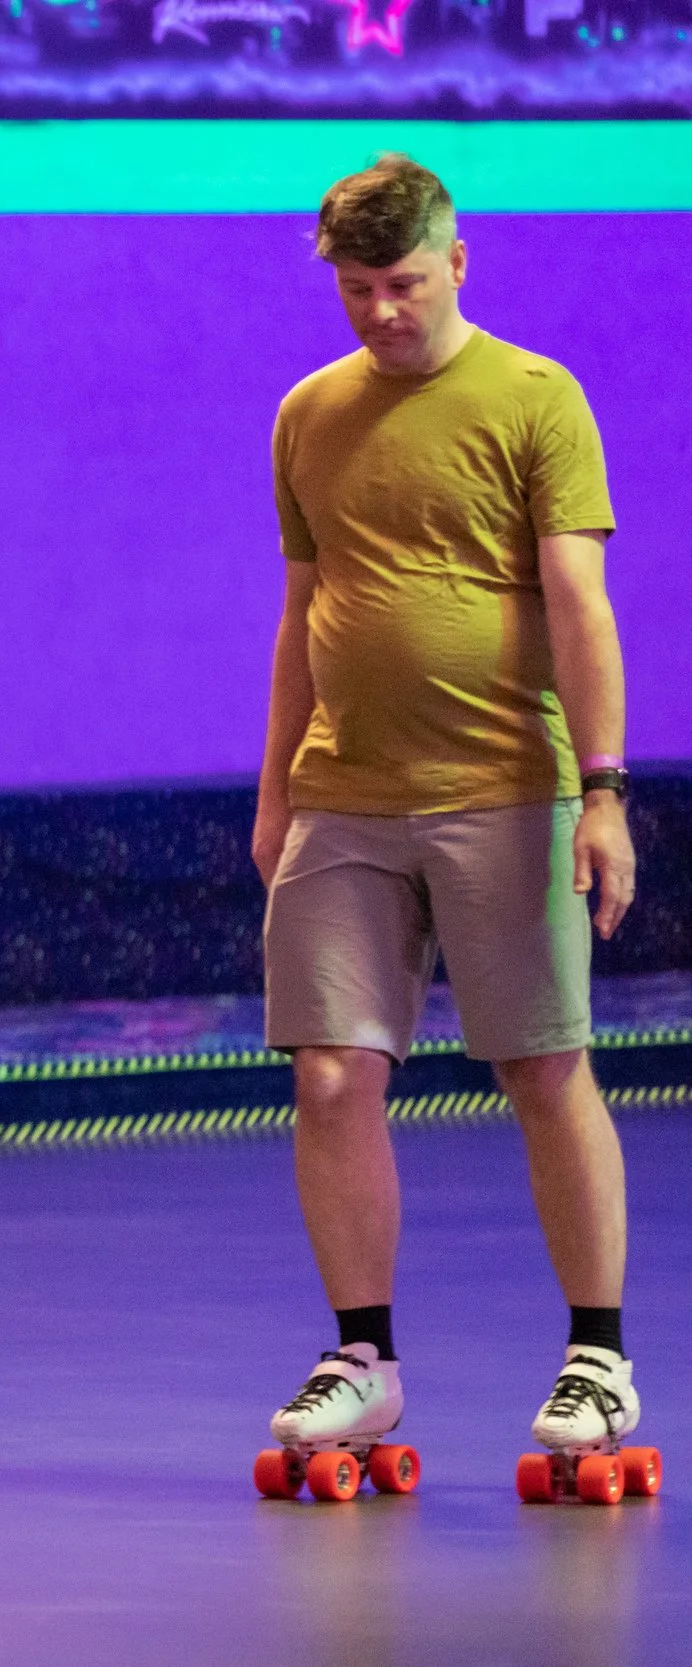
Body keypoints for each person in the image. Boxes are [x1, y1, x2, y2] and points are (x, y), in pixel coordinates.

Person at [251, 157, 640, 1468]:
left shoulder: (537, 398)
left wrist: (604, 790)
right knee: (328, 1074)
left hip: (506, 789)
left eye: (402, 284)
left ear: (458, 262)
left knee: (542, 1067)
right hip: (343, 796)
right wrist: (273, 797)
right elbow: (304, 616)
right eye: (356, 290)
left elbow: (579, 605)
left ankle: (599, 1354)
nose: (378, 313)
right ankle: (362, 1355)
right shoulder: (307, 414)